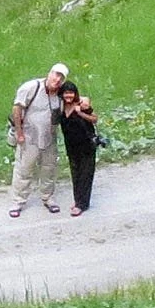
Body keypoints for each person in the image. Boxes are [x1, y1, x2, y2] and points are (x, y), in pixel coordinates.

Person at [9, 63, 68, 217]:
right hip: (29, 137)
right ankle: (18, 201)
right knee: (24, 169)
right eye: (55, 74)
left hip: (49, 138)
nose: (57, 79)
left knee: (49, 169)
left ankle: (48, 198)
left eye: (61, 77)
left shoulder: (61, 95)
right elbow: (17, 108)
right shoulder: (31, 87)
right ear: (49, 73)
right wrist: (19, 133)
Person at [58, 81, 99, 216]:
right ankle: (78, 200)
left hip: (86, 146)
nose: (68, 95)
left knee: (85, 175)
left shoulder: (81, 105)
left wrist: (80, 113)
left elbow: (94, 119)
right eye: (66, 93)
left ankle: (82, 204)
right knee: (75, 175)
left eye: (71, 92)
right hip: (72, 148)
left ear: (75, 93)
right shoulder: (61, 108)